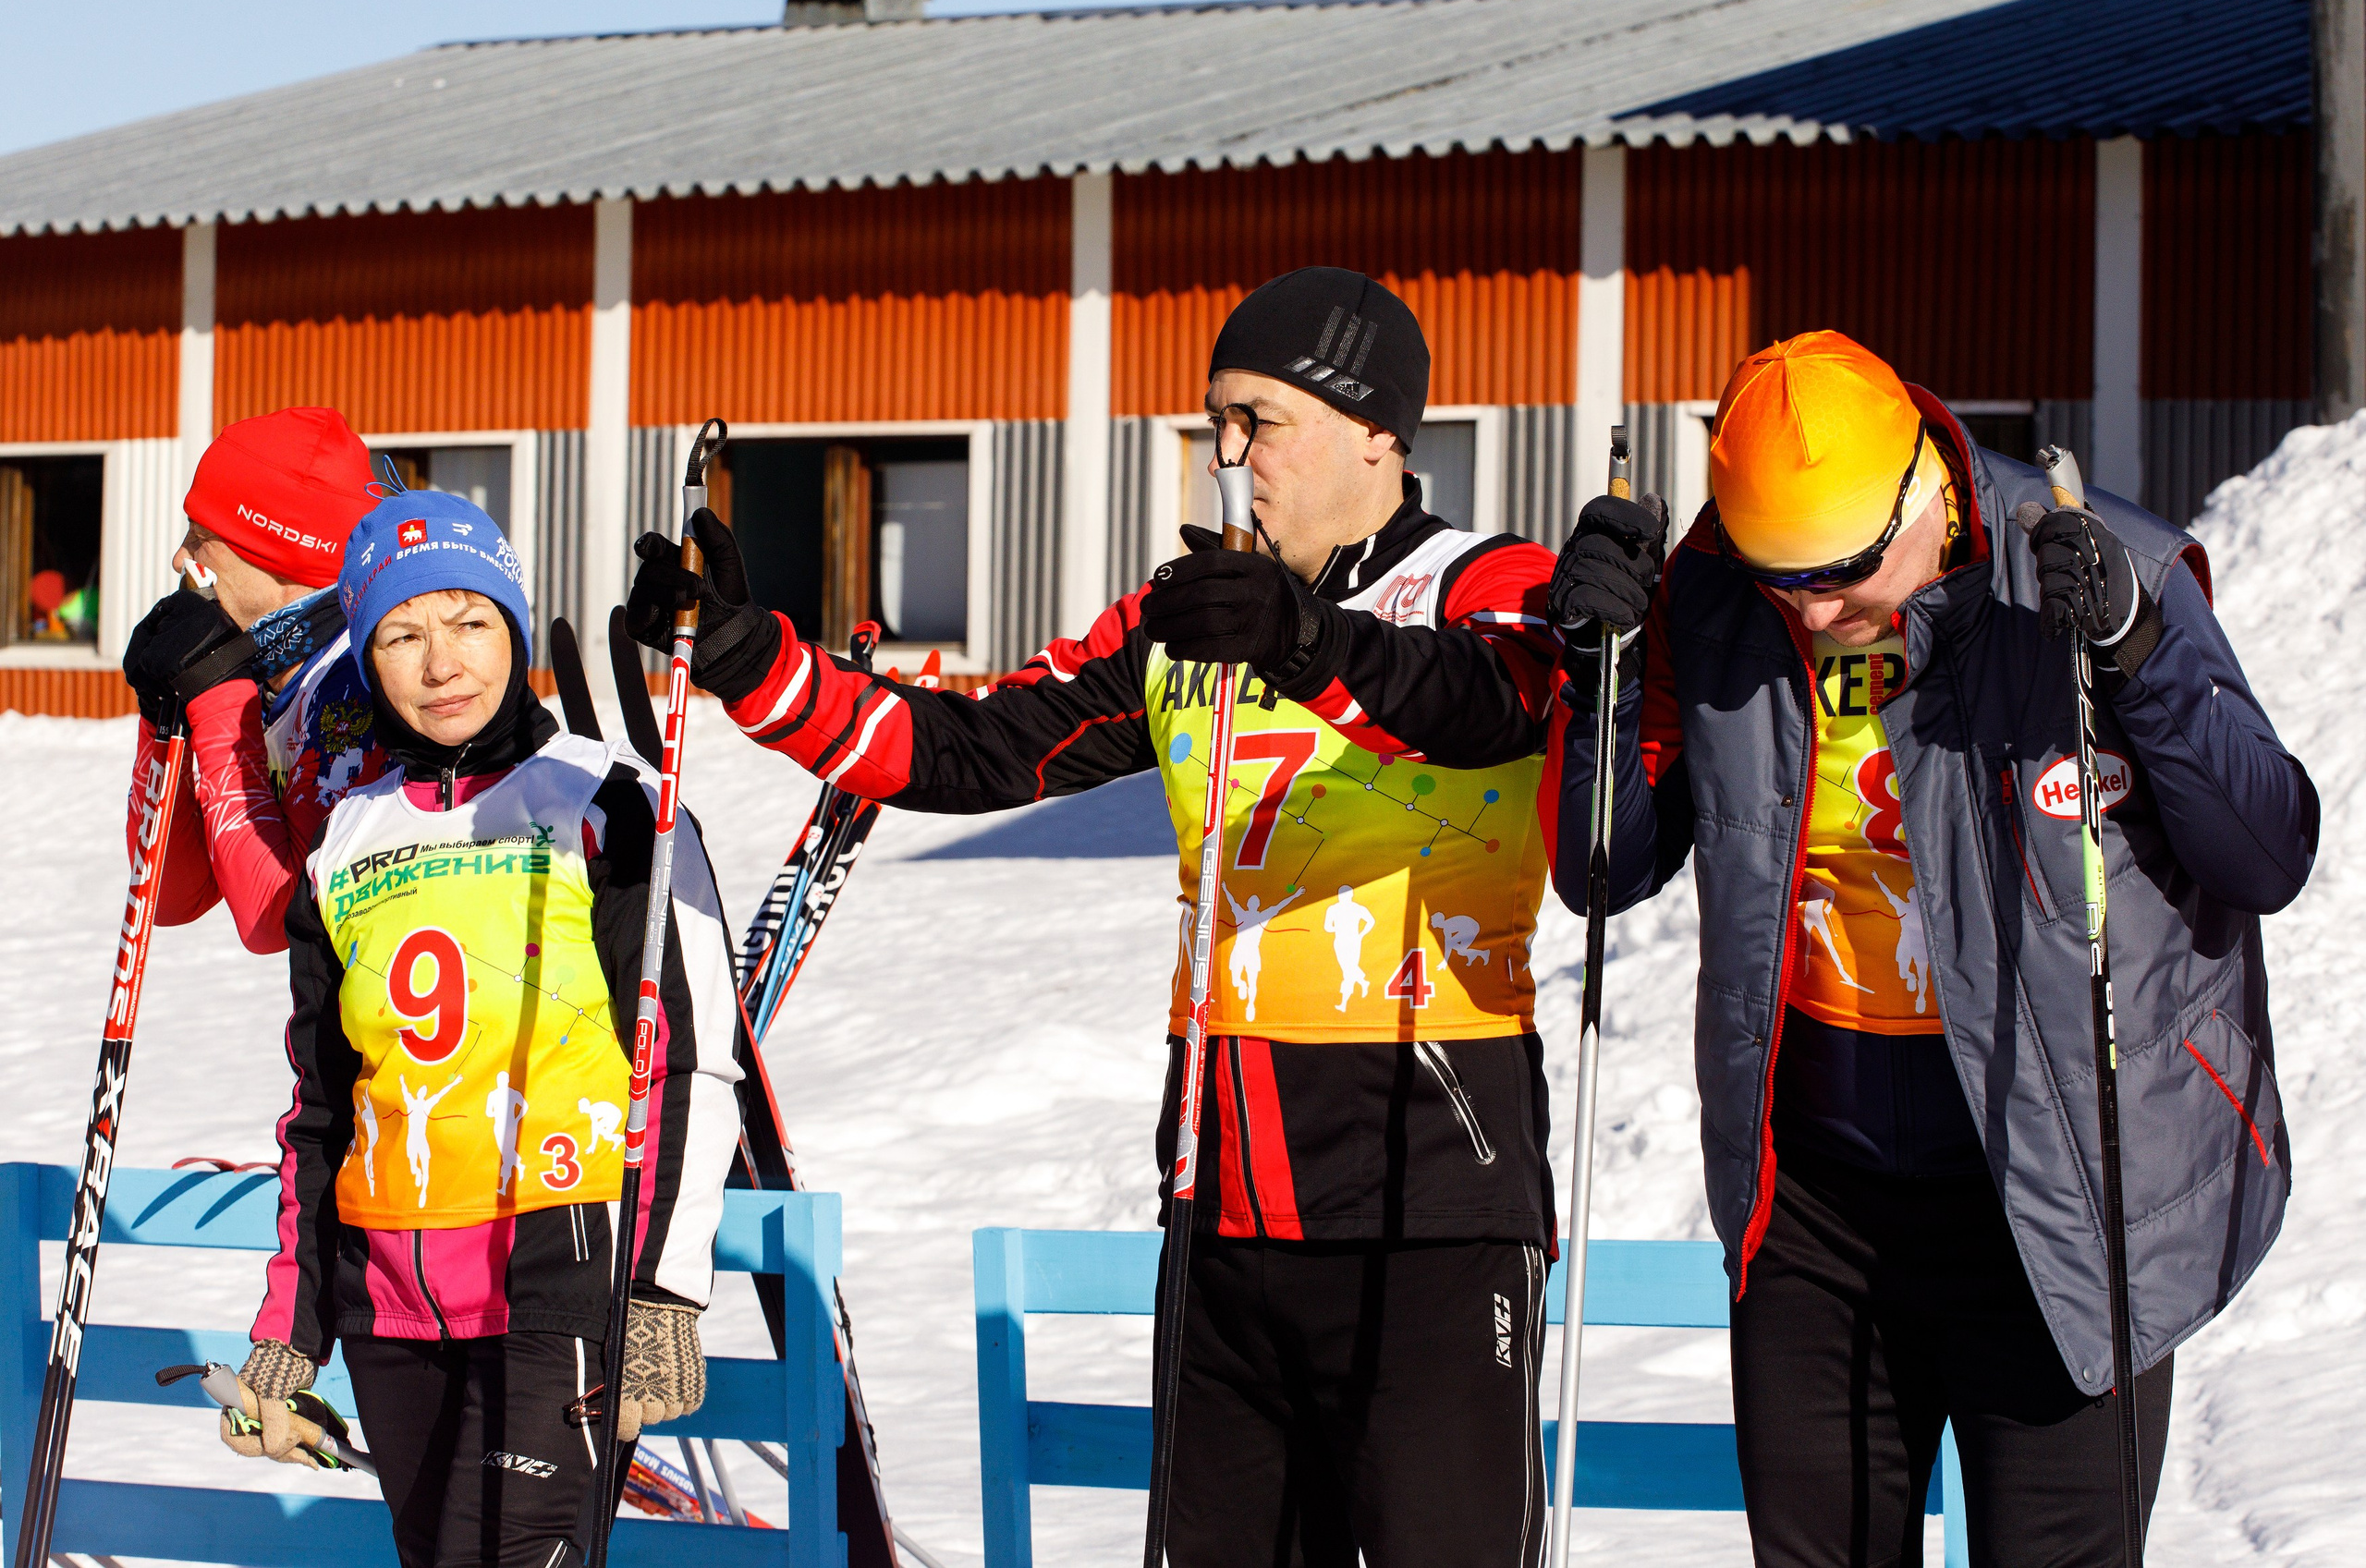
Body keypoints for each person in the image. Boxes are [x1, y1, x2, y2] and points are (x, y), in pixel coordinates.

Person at [627, 267, 1567, 1563]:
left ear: (1376, 430)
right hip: (1226, 1200)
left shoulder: (1491, 585)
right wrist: (757, 663)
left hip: (1433, 1201)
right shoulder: (1195, 618)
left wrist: (1310, 646)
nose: (1233, 459)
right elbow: (965, 746)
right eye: (1218, 422)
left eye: (1263, 421)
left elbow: (1492, 703)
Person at [1548, 330, 2318, 1566]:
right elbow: (1605, 864)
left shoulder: (2085, 568)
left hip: (2056, 1197)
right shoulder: (1718, 597)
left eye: (1846, 572)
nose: (1814, 608)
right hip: (1818, 1215)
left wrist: (2140, 649)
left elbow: (2265, 851)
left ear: (1924, 489)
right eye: (1778, 576)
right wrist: (1603, 667)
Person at [221, 491, 744, 1568]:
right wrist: (293, 1326)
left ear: (513, 624)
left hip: (559, 1282)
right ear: (368, 660)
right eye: (401, 635)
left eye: (469, 621)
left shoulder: (614, 805)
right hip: (392, 1308)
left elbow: (691, 1062)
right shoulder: (342, 845)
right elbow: (322, 1113)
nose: (441, 662)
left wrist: (663, 1286)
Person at [119, 406, 387, 953]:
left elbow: (278, 919)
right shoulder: (276, 671)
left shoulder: (351, 683)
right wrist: (161, 716)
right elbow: (168, 897)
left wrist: (221, 693)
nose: (180, 559)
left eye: (201, 538)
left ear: (278, 554)